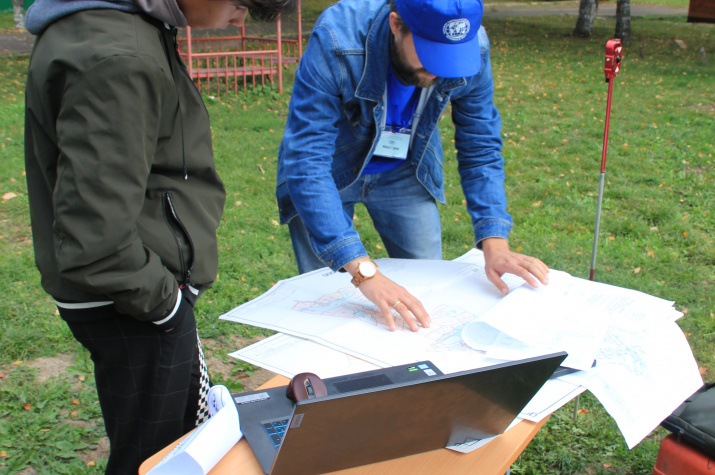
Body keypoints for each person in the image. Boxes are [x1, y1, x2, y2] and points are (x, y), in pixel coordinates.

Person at [23, 0, 294, 472]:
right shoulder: (121, 55)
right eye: (239, 4)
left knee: (166, 440)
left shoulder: (126, 30)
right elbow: (98, 237)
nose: (239, 19)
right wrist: (167, 306)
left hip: (136, 291)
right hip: (132, 300)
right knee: (156, 457)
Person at [277, 0, 550, 333]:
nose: (439, 70)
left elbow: (480, 145)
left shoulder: (471, 47)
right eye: (430, 53)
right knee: (325, 299)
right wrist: (364, 273)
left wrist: (495, 243)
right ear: (396, 24)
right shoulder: (337, 38)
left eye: (450, 57)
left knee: (425, 296)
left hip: (404, 170)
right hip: (327, 173)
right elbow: (307, 161)